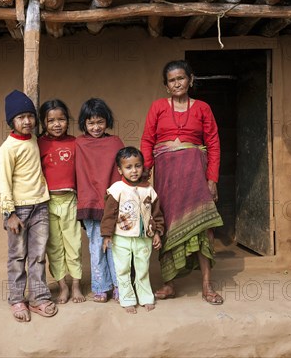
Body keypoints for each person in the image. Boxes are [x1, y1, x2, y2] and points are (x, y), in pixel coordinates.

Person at [140, 60, 225, 305]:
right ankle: (169, 284)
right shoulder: (157, 107)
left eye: (181, 78)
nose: (177, 83)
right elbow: (147, 140)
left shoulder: (202, 108)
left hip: (195, 177)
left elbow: (214, 144)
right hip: (166, 178)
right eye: (172, 80)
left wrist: (212, 179)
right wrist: (146, 174)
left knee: (203, 228)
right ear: (166, 86)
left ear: (190, 79)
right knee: (167, 226)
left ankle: (207, 286)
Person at [0, 90, 58, 322]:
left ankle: (38, 297)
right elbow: (3, 183)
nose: (27, 121)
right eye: (21, 117)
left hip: (40, 206)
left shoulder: (33, 140)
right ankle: (16, 299)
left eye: (30, 116)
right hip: (18, 211)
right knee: (18, 256)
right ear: (11, 121)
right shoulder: (6, 149)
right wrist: (9, 214)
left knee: (38, 255)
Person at [101, 147, 165, 314]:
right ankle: (127, 298)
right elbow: (109, 214)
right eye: (128, 167)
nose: (134, 171)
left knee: (143, 268)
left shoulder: (149, 190)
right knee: (123, 269)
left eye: (137, 166)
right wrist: (107, 235)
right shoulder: (117, 189)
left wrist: (157, 232)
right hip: (121, 237)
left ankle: (145, 297)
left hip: (144, 238)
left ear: (143, 167)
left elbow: (156, 214)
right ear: (120, 169)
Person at [76, 98, 124, 303]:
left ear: (107, 121)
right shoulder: (79, 143)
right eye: (91, 123)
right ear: (84, 124)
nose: (96, 127)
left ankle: (119, 287)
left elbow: (122, 172)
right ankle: (100, 287)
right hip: (89, 201)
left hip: (113, 203)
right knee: (96, 247)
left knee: (116, 246)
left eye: (100, 122)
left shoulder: (115, 143)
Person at [37, 99, 85, 304]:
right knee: (54, 247)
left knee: (73, 245)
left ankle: (76, 285)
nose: (57, 124)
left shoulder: (76, 143)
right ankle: (62, 286)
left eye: (62, 119)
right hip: (48, 202)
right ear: (44, 123)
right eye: (51, 121)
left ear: (68, 121)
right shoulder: (39, 143)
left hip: (70, 200)